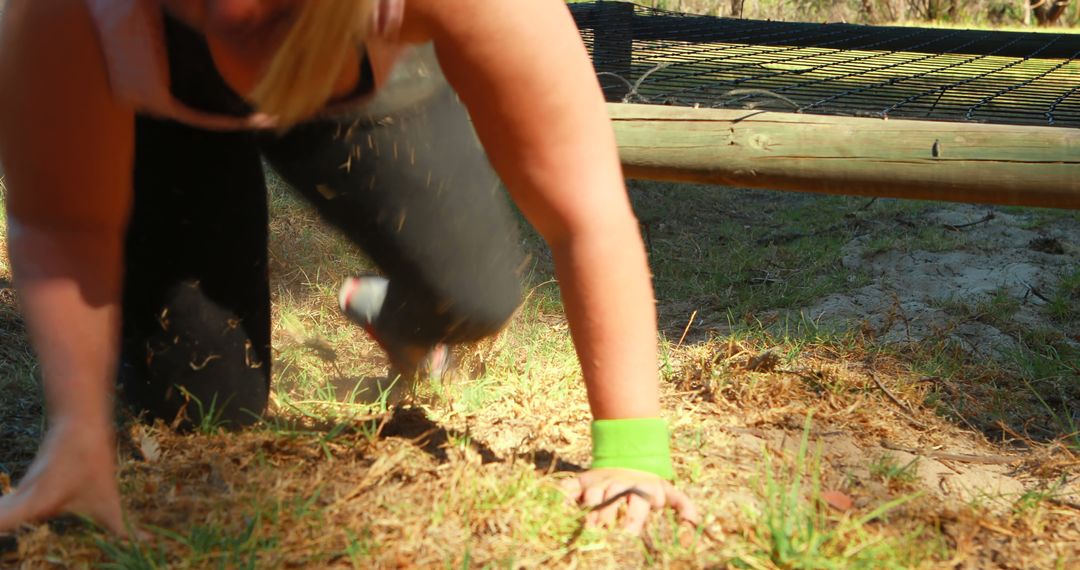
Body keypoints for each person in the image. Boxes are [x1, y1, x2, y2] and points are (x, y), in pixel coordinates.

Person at [0, 0, 697, 538]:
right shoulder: (71, 12)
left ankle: (381, 307)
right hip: (170, 117)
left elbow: (587, 214)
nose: (235, 12)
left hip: (364, 66)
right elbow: (63, 225)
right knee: (198, 412)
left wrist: (632, 449)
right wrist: (76, 431)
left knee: (472, 299)